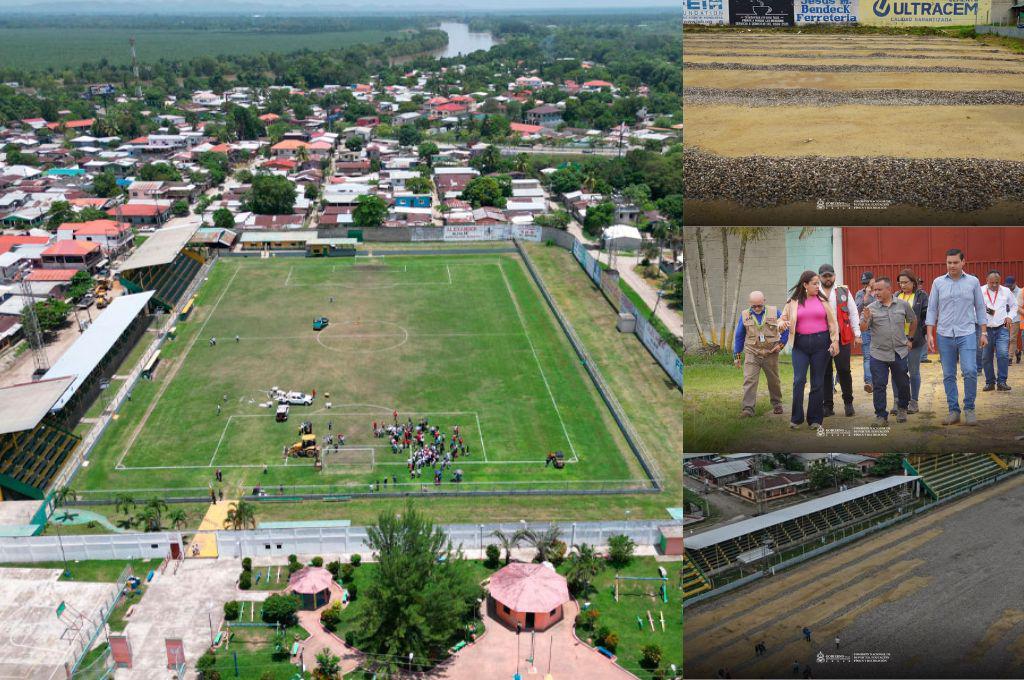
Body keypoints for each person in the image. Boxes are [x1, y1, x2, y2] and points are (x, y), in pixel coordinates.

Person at [926, 249, 988, 426]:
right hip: (944, 334)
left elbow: (980, 307)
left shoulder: (973, 282)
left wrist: (983, 332)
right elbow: (932, 309)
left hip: (967, 332)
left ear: (963, 262)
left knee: (969, 370)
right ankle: (954, 410)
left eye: (955, 262)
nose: (951, 265)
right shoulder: (938, 283)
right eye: (948, 262)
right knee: (948, 374)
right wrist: (929, 333)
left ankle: (969, 409)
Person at [779, 271, 839, 431]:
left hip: (822, 344)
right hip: (800, 344)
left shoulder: (823, 300)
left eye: (818, 283)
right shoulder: (793, 302)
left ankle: (815, 419)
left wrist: (835, 341)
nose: (817, 286)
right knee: (799, 380)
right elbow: (782, 318)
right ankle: (796, 418)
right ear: (805, 284)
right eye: (814, 283)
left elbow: (833, 324)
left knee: (817, 383)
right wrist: (781, 324)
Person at [861, 277, 915, 425]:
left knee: (903, 383)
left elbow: (913, 320)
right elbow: (863, 329)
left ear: (889, 290)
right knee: (879, 385)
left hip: (899, 352)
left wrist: (910, 339)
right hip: (878, 353)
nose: (875, 292)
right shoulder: (870, 308)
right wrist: (865, 319)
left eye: (879, 289)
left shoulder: (902, 305)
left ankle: (902, 408)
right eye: (874, 290)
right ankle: (881, 416)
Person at [733, 291, 788, 418]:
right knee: (749, 380)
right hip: (752, 353)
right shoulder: (745, 315)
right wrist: (737, 357)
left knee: (773, 380)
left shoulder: (775, 312)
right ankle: (748, 409)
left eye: (759, 305)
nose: (757, 308)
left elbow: (786, 328)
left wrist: (780, 345)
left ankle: (777, 404)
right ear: (750, 304)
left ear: (764, 301)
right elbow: (739, 336)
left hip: (770, 353)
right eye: (754, 306)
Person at [818, 264, 861, 417]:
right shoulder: (815, 292)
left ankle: (848, 403)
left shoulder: (844, 291)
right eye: (824, 276)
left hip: (842, 336)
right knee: (825, 372)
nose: (827, 278)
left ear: (834, 276)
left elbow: (854, 312)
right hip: (821, 337)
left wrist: (857, 333)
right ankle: (827, 406)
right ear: (820, 277)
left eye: (830, 275)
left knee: (844, 370)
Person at [891, 269, 929, 414]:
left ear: (913, 283)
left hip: (915, 340)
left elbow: (926, 316)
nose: (903, 285)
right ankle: (897, 401)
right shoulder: (896, 296)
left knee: (913, 372)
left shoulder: (922, 296)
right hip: (897, 340)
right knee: (896, 372)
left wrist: (923, 333)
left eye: (906, 282)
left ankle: (914, 402)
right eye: (900, 282)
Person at [979, 270, 1016, 391]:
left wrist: (1009, 317)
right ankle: (990, 382)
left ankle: (1002, 382)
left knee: (1003, 354)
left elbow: (1014, 305)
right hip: (986, 329)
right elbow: (974, 308)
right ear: (986, 281)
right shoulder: (980, 291)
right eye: (992, 283)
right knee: (986, 357)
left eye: (997, 282)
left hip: (1002, 328)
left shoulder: (1006, 291)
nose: (994, 285)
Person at [854, 272, 876, 391]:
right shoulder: (860, 293)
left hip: (879, 329)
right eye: (864, 283)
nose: (866, 285)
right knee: (867, 356)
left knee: (879, 356)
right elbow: (857, 308)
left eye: (868, 282)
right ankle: (869, 382)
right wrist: (866, 295)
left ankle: (878, 380)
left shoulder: (879, 291)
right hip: (865, 328)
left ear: (873, 280)